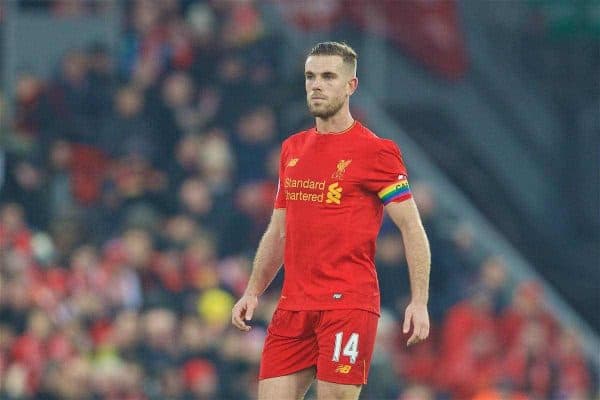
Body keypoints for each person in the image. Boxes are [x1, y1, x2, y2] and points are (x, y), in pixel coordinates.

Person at [232, 42, 431, 400]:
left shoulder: (377, 152)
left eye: (327, 76)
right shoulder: (292, 149)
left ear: (351, 85)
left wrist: (419, 300)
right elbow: (279, 230)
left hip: (347, 304)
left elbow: (411, 227)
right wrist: (253, 290)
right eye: (310, 76)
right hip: (293, 305)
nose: (316, 85)